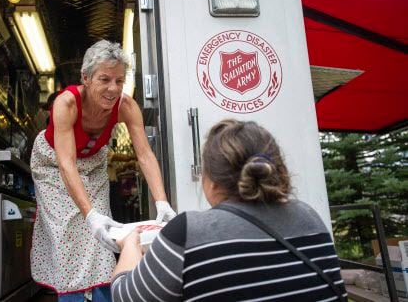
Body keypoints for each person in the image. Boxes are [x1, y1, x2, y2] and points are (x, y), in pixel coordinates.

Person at [111, 120, 347, 301]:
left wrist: (129, 245)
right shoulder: (310, 218)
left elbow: (123, 296)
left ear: (211, 180)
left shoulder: (188, 233)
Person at [30, 40, 176, 301]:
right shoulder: (66, 104)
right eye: (105, 79)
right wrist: (89, 215)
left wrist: (162, 202)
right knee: (70, 233)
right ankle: (72, 298)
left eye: (119, 81)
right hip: (54, 164)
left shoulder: (126, 106)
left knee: (101, 238)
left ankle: (104, 296)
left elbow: (144, 154)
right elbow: (66, 163)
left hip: (93, 163)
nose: (113, 89)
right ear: (86, 78)